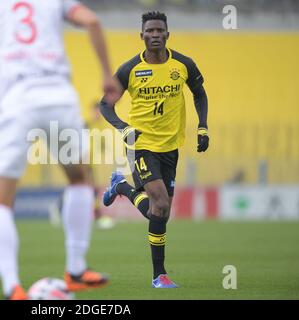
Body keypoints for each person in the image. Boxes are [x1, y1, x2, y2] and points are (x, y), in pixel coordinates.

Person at [0, 0, 121, 299]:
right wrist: (107, 75)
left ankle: (12, 287)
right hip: (60, 97)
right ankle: (77, 269)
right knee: (79, 180)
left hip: (17, 102)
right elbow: (92, 21)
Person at [101, 11, 209, 288]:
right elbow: (105, 104)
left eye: (160, 30)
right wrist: (124, 128)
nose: (155, 35)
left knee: (160, 213)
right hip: (141, 145)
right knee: (160, 205)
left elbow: (199, 93)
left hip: (170, 148)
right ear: (142, 36)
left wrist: (203, 127)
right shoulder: (129, 70)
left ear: (167, 34)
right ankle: (158, 275)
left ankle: (122, 187)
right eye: (150, 31)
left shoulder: (183, 65)